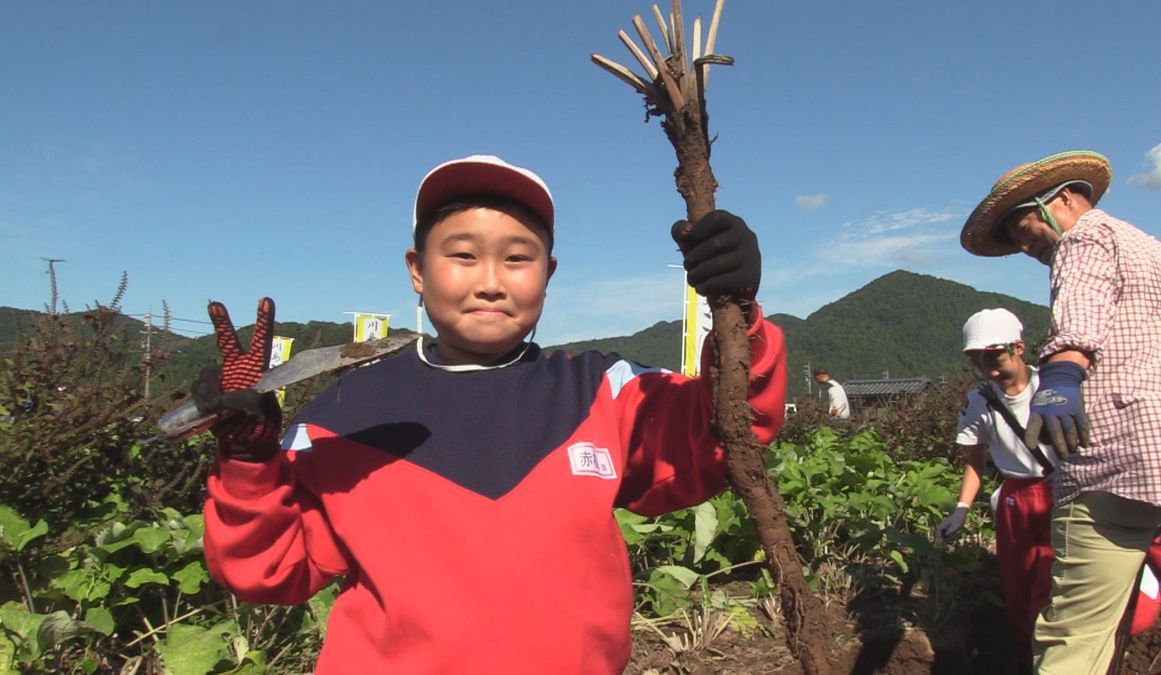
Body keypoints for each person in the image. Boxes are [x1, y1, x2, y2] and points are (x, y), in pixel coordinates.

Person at [192, 154, 787, 673]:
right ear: (417, 271)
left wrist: (737, 312)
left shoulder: (602, 390)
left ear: (549, 275)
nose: (491, 282)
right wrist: (248, 458)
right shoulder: (345, 413)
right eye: (463, 256)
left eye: (518, 259)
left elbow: (724, 430)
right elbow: (267, 571)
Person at [960, 150, 1161, 674]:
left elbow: (1078, 316)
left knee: (1076, 631)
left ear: (1063, 200)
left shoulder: (1084, 239)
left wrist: (1064, 373)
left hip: (1120, 458)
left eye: (1025, 232)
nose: (1026, 248)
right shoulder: (1160, 253)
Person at [935, 308, 1056, 673]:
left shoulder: (1053, 387)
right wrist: (961, 508)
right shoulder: (980, 403)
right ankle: (1025, 663)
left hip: (1062, 495)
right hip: (1016, 501)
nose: (989, 369)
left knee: (1051, 591)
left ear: (1018, 347)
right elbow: (975, 461)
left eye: (995, 357)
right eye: (978, 360)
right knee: (1017, 593)